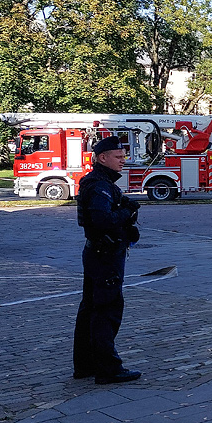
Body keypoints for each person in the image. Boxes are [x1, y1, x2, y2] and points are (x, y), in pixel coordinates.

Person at [73, 136, 142, 385]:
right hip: (105, 256)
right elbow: (103, 220)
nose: (123, 161)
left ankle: (85, 364)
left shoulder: (101, 183)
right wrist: (127, 211)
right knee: (106, 310)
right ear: (103, 158)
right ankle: (108, 368)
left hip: (97, 254)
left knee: (90, 309)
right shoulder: (100, 185)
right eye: (119, 157)